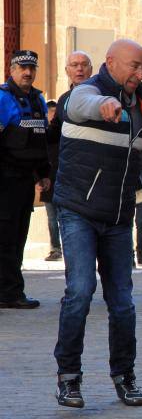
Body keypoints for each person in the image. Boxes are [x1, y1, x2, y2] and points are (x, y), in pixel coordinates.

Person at [52, 39, 142, 408]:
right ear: (110, 63)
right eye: (133, 66)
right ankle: (69, 377)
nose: (139, 73)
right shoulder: (87, 93)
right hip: (78, 212)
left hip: (119, 218)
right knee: (81, 290)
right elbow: (79, 104)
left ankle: (125, 375)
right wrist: (104, 104)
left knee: (122, 303)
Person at [0, 50, 51, 308]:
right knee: (5, 238)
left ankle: (10, 291)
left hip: (23, 181)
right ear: (11, 70)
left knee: (18, 238)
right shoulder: (2, 98)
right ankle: (10, 293)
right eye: (22, 68)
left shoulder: (37, 100)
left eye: (32, 68)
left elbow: (40, 140)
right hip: (4, 181)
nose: (27, 72)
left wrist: (43, 174)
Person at [42, 51, 94, 262]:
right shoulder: (64, 100)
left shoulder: (101, 96)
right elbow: (53, 136)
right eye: (74, 65)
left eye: (83, 65)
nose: (79, 69)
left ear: (91, 69)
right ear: (67, 71)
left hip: (95, 176)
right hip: (69, 176)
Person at [41, 100, 62, 261]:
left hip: (62, 181)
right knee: (51, 218)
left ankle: (64, 247)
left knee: (63, 217)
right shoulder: (43, 137)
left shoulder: (63, 135)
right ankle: (55, 248)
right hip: (48, 181)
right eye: (50, 113)